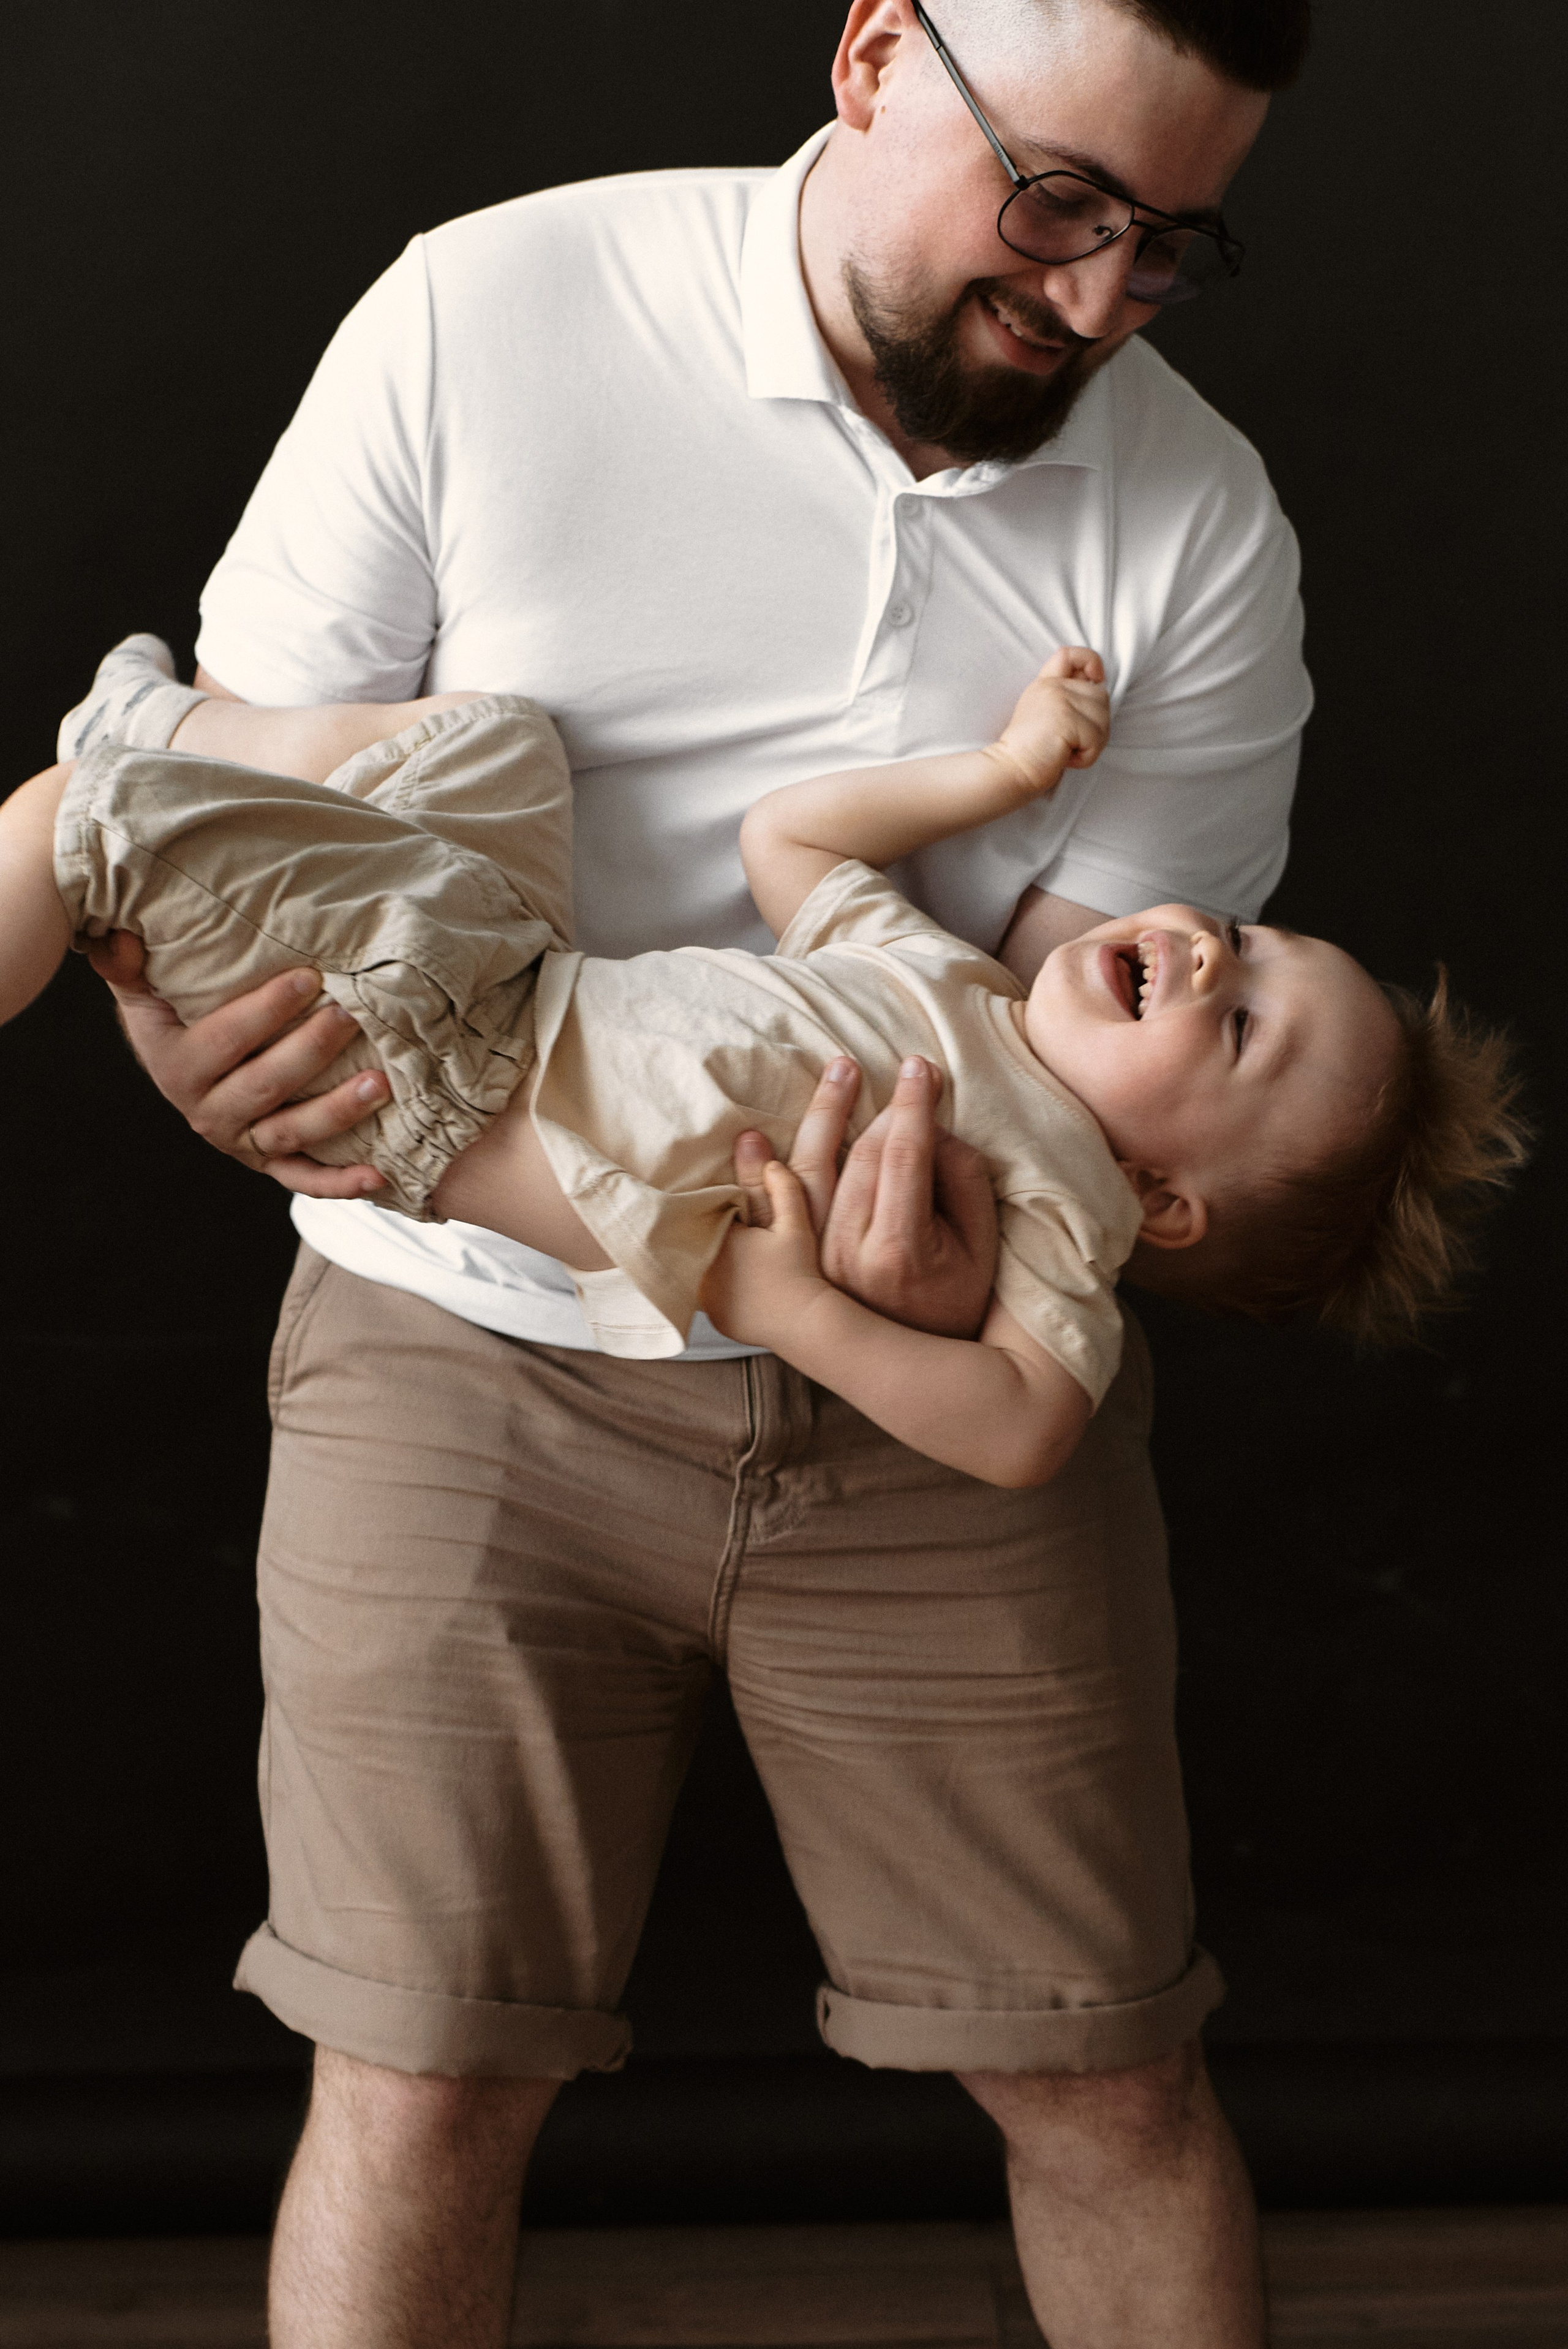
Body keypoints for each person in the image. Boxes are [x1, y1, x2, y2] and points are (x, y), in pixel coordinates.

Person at [54, 2, 1384, 2340]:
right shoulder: (492, 314)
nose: (1093, 299)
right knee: (418, 2074)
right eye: (1059, 202)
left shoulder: (1195, 522)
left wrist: (937, 1283)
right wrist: (206, 1047)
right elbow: (251, 818)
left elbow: (1109, 1060)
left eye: (1171, 248)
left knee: (1103, 2082)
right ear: (876, 56)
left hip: (932, 1427)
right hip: (454, 1338)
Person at [10, 646, 1519, 1489]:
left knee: (77, 813)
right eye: (1248, 937)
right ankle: (181, 731)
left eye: (1241, 1023)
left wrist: (785, 1305)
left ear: (1161, 1199)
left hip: (459, 1068)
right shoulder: (954, 985)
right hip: (521, 976)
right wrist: (994, 776)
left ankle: (140, 756)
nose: (1205, 946)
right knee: (495, 741)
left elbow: (1021, 1432)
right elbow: (785, 842)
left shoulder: (1069, 1207)